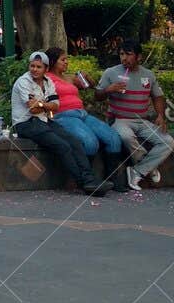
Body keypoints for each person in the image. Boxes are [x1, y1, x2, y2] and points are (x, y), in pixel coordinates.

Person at [11, 52, 112, 196]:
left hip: (44, 120)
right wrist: (46, 105)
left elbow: (56, 106)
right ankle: (84, 184)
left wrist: (42, 104)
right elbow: (33, 109)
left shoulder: (48, 82)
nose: (34, 69)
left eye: (38, 67)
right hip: (26, 123)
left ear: (46, 69)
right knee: (62, 145)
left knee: (74, 141)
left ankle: (90, 179)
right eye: (32, 66)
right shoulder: (24, 82)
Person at [97, 39, 174, 190]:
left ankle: (137, 170)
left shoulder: (148, 75)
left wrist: (160, 115)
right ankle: (149, 167)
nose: (124, 58)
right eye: (121, 54)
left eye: (129, 54)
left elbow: (157, 96)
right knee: (126, 136)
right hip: (119, 120)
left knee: (168, 141)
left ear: (139, 57)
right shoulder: (111, 72)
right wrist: (109, 90)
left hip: (142, 121)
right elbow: (97, 95)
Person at [45, 47, 127, 188]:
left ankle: (112, 177)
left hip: (82, 113)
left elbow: (91, 87)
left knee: (113, 138)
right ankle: (87, 179)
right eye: (62, 60)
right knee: (90, 142)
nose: (66, 62)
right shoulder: (45, 78)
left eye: (67, 59)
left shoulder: (70, 77)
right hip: (64, 116)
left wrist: (87, 79)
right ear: (52, 61)